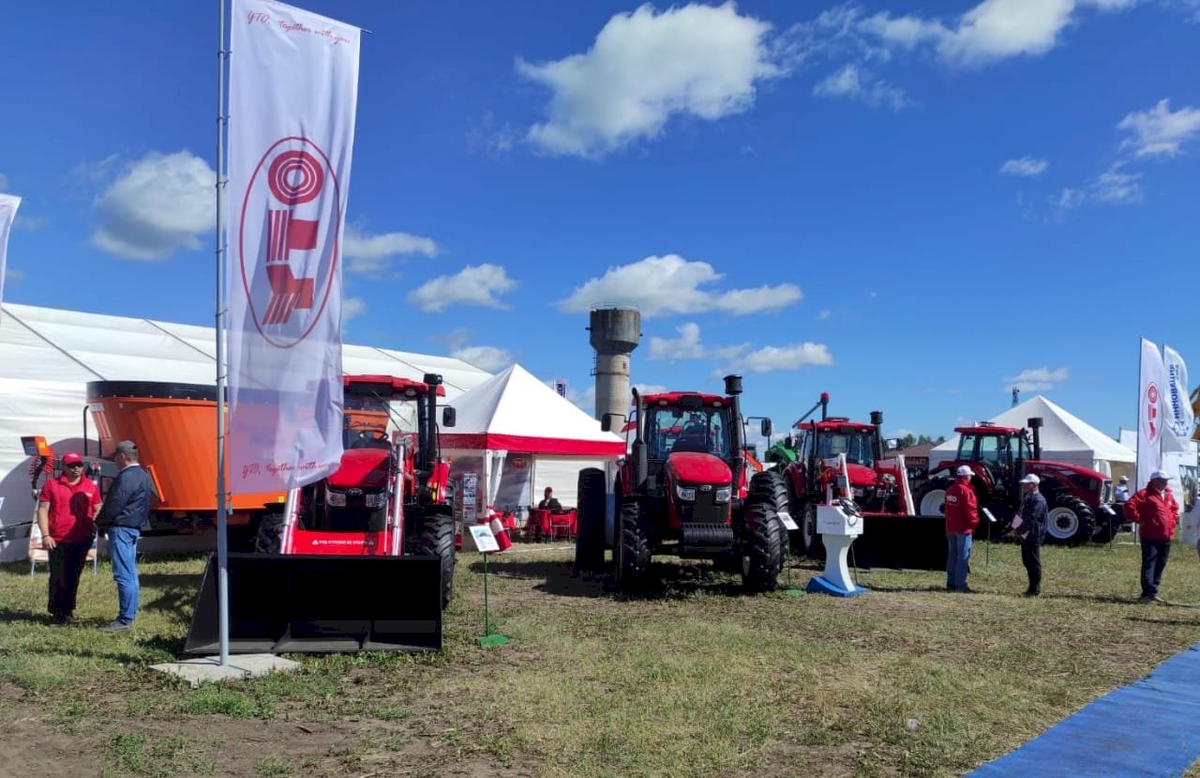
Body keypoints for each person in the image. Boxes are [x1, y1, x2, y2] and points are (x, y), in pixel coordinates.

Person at [36, 452, 102, 625]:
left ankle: (68, 611)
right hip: (57, 539)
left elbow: (98, 507)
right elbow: (42, 509)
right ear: (64, 467)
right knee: (58, 576)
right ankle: (56, 612)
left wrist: (95, 524)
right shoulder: (52, 485)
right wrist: (45, 534)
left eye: (79, 465)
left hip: (82, 538)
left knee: (74, 576)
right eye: (72, 466)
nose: (76, 469)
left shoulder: (90, 486)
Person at [95, 440, 153, 632]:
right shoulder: (143, 475)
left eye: (115, 458)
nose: (115, 462)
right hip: (134, 527)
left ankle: (124, 619)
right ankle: (131, 613)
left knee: (123, 575)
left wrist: (100, 523)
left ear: (121, 457)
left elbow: (114, 504)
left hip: (121, 528)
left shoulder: (126, 477)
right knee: (130, 573)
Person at [1125, 470, 1180, 604]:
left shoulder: (1168, 494)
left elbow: (1174, 508)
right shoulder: (1144, 494)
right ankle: (1147, 593)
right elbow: (1128, 507)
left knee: (1160, 564)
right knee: (1150, 564)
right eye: (1163, 480)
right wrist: (1139, 519)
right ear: (1155, 481)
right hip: (1150, 535)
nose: (1166, 482)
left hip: (1166, 536)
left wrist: (1173, 520)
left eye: (1166, 480)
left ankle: (1153, 591)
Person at [943, 465, 980, 592]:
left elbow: (947, 509)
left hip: (950, 527)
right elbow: (971, 511)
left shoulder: (950, 490)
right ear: (965, 476)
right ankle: (960, 585)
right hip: (963, 529)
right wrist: (974, 524)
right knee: (963, 557)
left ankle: (950, 582)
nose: (971, 477)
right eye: (970, 475)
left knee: (952, 555)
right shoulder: (967, 491)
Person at [1012, 474, 1048, 597]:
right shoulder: (1028, 497)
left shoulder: (1038, 500)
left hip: (1033, 534)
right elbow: (1020, 513)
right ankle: (1031, 588)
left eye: (1026, 484)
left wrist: (1020, 530)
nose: (1023, 486)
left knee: (1034, 561)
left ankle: (1035, 589)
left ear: (1034, 485)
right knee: (1027, 561)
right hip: (1026, 534)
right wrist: (1015, 527)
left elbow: (1031, 519)